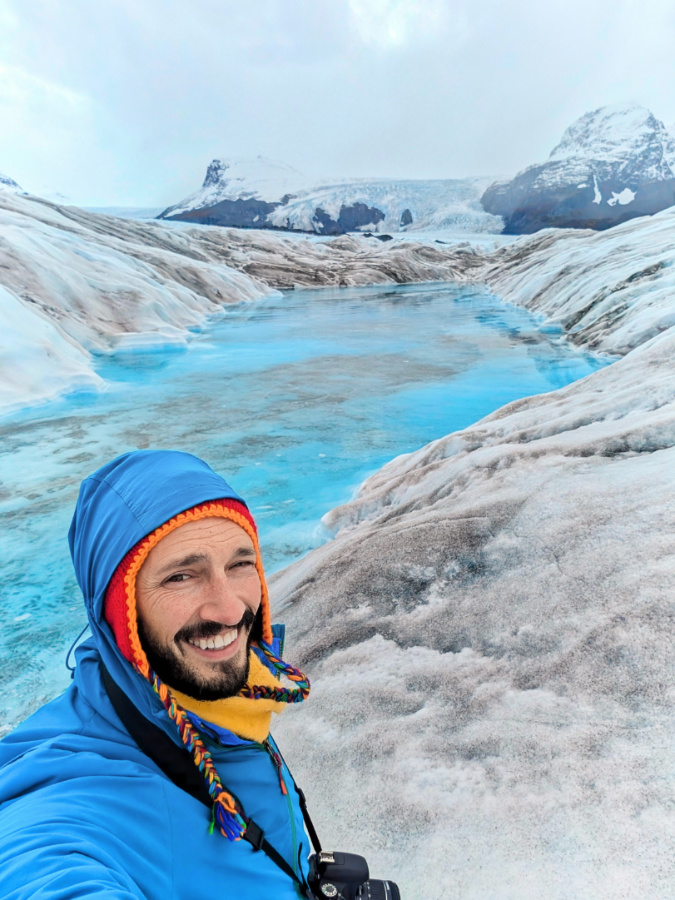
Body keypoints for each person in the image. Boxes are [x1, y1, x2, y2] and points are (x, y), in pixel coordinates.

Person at [0, 450, 313, 899]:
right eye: (181, 577)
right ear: (120, 613)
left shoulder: (226, 697)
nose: (230, 610)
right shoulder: (74, 807)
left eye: (240, 564)